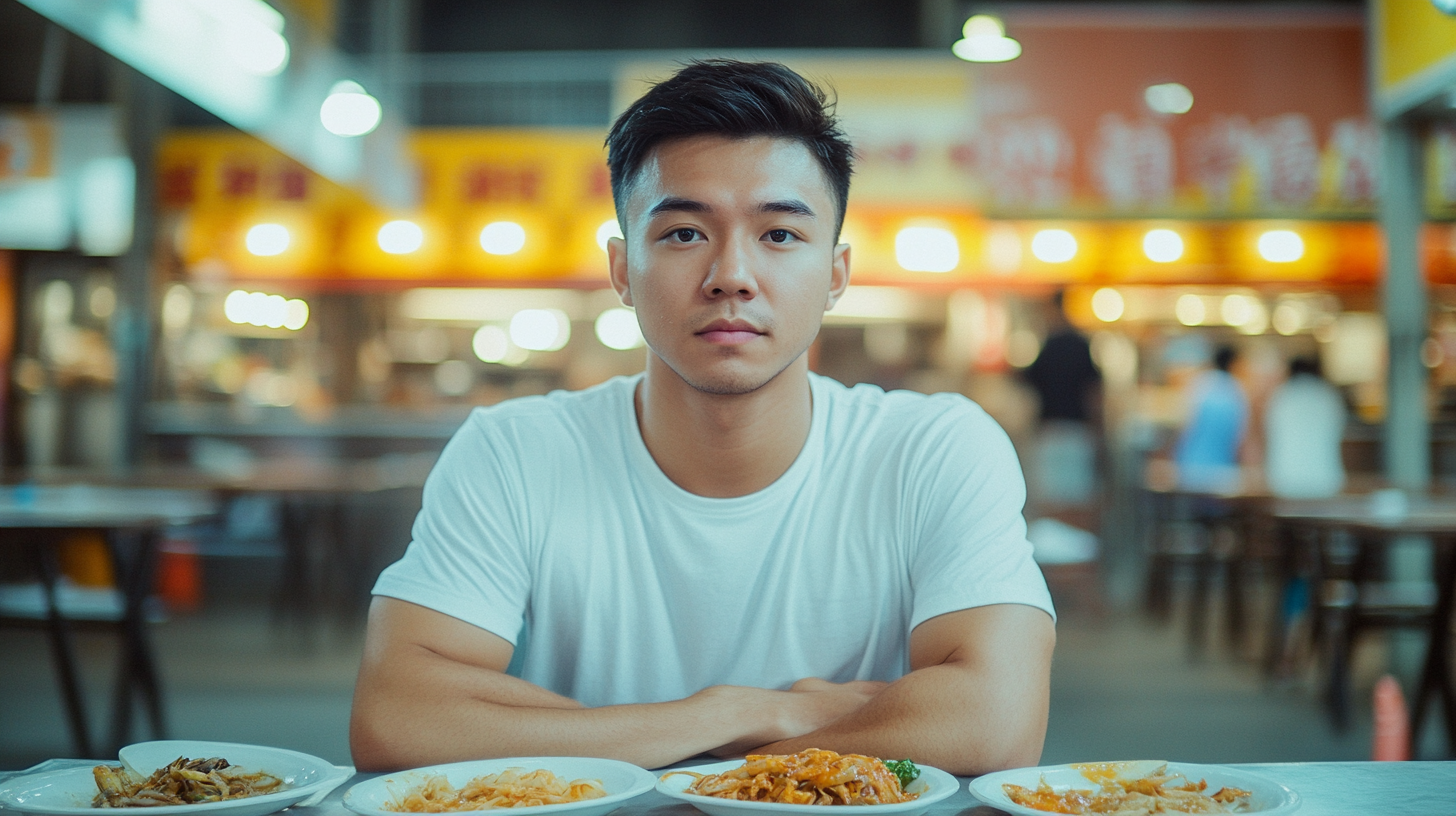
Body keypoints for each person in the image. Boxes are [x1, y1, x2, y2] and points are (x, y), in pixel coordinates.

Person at [349, 60, 1055, 776]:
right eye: (684, 233)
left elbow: (994, 723)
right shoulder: (516, 448)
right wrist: (739, 712)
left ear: (836, 275)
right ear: (623, 270)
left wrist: (667, 760)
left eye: (779, 235)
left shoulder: (934, 448)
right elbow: (399, 714)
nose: (731, 275)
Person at [1021, 290, 1101, 507]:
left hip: (1050, 429)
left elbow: (1028, 384)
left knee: (1051, 498)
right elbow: (1093, 391)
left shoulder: (1048, 347)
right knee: (1076, 498)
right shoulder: (1080, 344)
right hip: (1077, 430)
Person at [1263, 356, 1346, 498]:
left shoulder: (1281, 396)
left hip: (1285, 479)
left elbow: (1269, 434)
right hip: (1325, 479)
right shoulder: (1327, 395)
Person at [1174, 344, 1248, 492]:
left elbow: (1183, 426)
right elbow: (1240, 438)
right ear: (1234, 363)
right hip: (1222, 469)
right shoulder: (1237, 391)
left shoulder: (1200, 383)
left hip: (1189, 466)